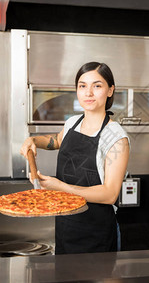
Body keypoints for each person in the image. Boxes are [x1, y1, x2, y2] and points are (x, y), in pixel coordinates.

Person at [20, 62, 130, 254]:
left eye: (97, 86)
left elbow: (109, 194)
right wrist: (33, 140)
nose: (88, 93)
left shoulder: (116, 137)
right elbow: (56, 141)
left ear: (110, 90)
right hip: (66, 225)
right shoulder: (73, 122)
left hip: (97, 231)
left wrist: (60, 188)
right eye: (82, 86)